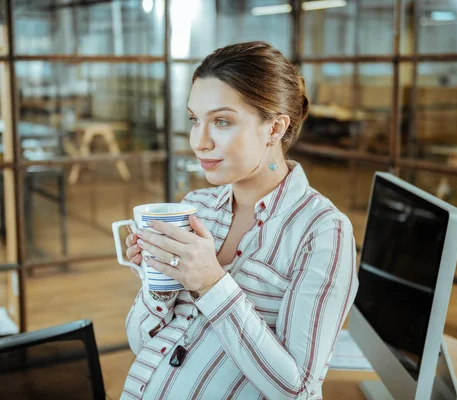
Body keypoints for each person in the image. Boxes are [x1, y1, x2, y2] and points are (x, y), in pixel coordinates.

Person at [121, 41, 358, 400]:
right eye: (194, 120)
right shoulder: (195, 207)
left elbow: (297, 390)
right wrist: (157, 283)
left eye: (221, 121)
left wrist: (211, 283)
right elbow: (143, 345)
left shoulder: (322, 232)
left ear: (275, 128)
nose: (199, 142)